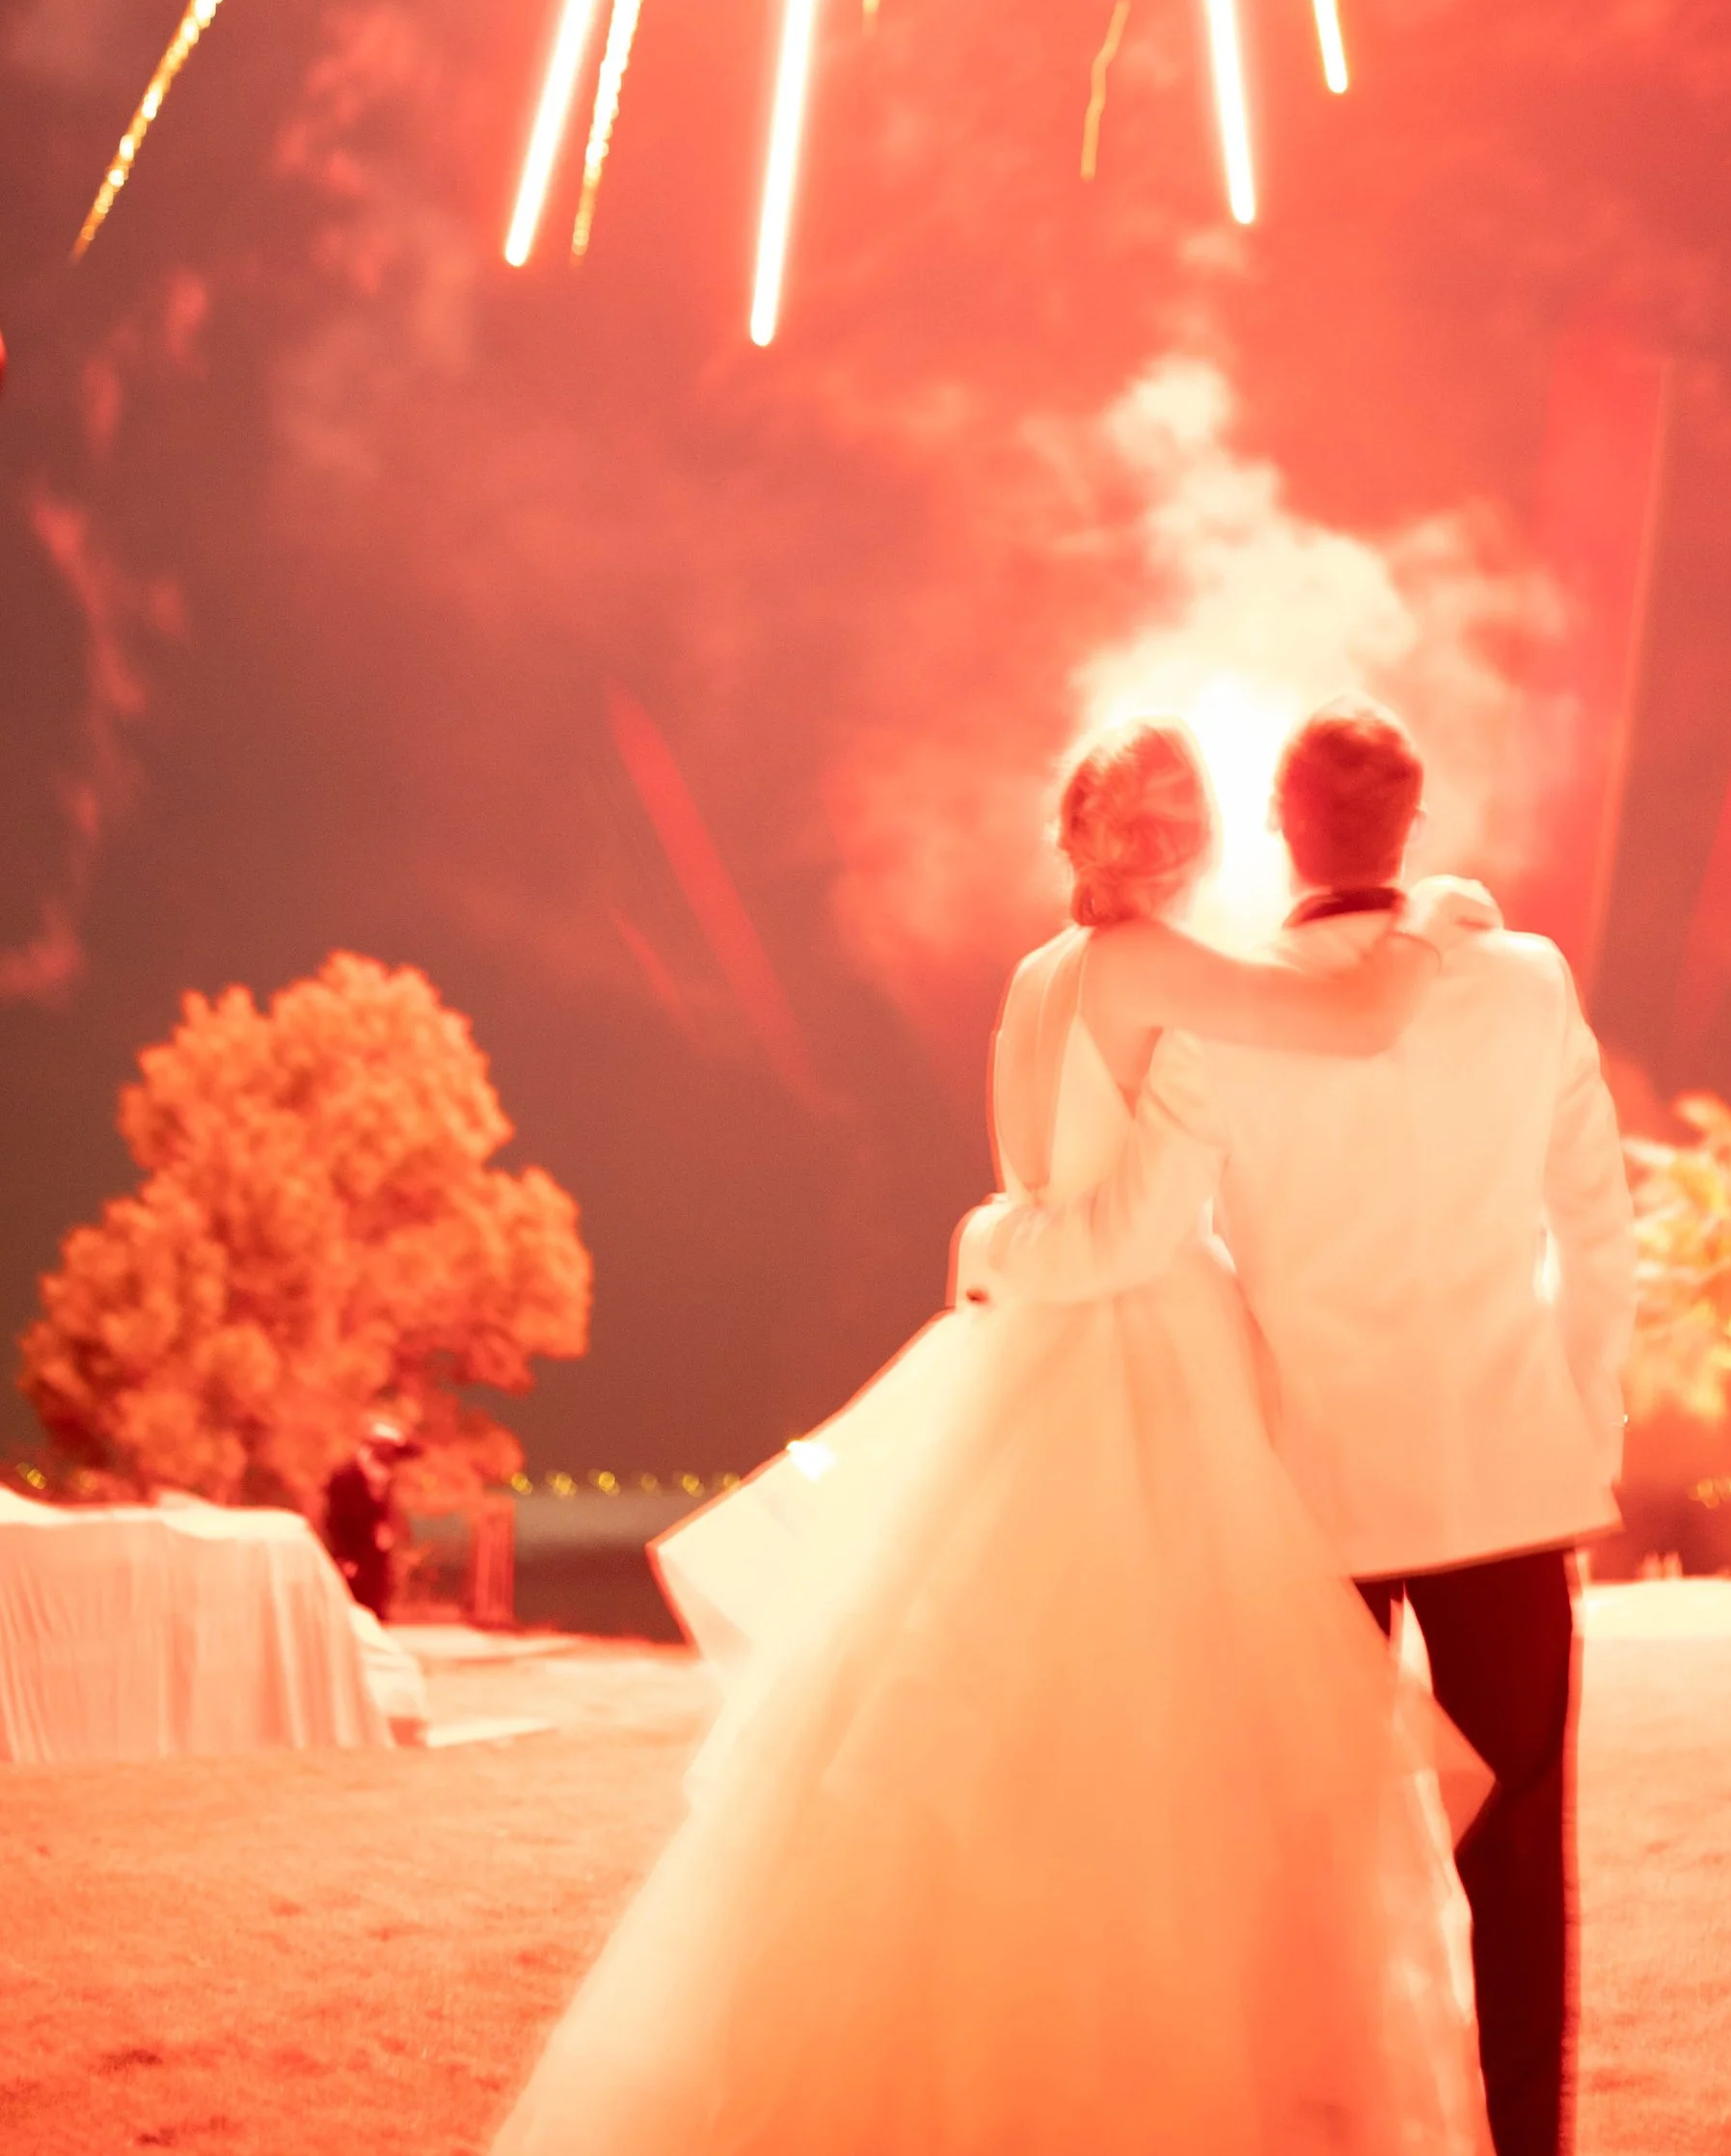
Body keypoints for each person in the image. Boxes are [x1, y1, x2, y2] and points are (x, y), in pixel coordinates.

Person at [495, 715, 1488, 2156]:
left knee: (1007, 1753)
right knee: (1165, 1756)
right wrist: (1440, 917)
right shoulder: (1150, 963)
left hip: (1045, 1372)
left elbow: (1034, 1196)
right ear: (1182, 837)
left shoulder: (1040, 975)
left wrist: (1004, 1245)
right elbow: (1347, 1028)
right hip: (1146, 1377)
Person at [960, 700, 1637, 2156]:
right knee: (1518, 1856)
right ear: (1416, 820)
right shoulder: (1523, 978)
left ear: (1278, 828)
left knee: (1310, 1867)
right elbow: (1597, 1227)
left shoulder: (1220, 1010)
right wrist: (1586, 1425)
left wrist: (1002, 1247)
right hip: (1509, 1481)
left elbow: (1150, 1215)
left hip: (1310, 1497)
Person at [321, 1416, 415, 1620]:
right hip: (351, 1565)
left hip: (376, 1564)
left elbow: (383, 1520)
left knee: (375, 1616)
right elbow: (334, 1522)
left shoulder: (384, 1480)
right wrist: (344, 1558)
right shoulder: (345, 1479)